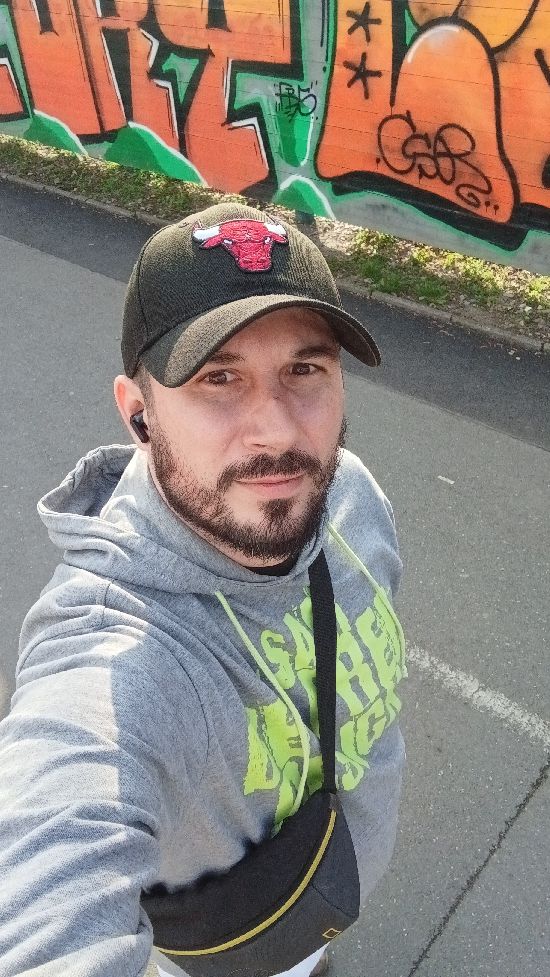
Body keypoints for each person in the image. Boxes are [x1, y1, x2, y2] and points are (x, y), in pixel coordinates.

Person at [0, 202, 406, 977]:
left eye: (304, 369)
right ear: (139, 415)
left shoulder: (350, 495)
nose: (277, 430)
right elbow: (47, 882)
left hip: (323, 900)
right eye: (220, 378)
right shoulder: (117, 654)